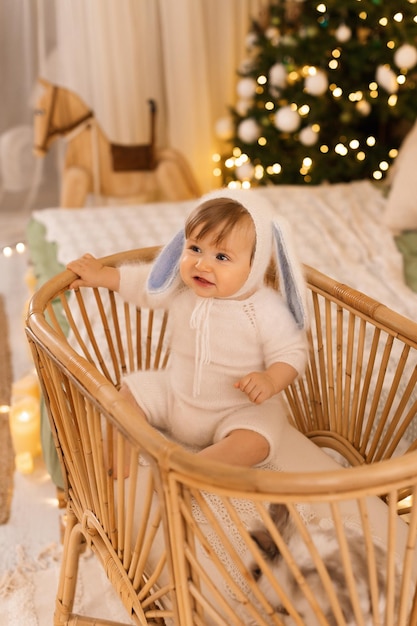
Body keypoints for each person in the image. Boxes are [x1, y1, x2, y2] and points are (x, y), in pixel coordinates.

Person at [66, 189, 309, 468]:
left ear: (256, 265)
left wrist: (270, 380)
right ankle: (120, 466)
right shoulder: (182, 288)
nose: (202, 264)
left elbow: (292, 352)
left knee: (258, 438)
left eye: (221, 257)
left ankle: (189, 472)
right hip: (176, 399)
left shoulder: (264, 308)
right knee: (128, 393)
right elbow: (142, 282)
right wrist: (102, 275)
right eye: (194, 249)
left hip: (238, 410)